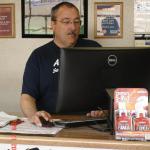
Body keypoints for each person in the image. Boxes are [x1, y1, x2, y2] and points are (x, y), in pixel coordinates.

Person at [20, 2, 110, 126]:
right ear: (53, 24)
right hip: (52, 122)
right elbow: (27, 97)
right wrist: (34, 115)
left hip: (93, 122)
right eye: (66, 21)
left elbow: (111, 88)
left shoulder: (94, 49)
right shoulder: (39, 56)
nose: (73, 27)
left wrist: (107, 110)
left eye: (77, 21)